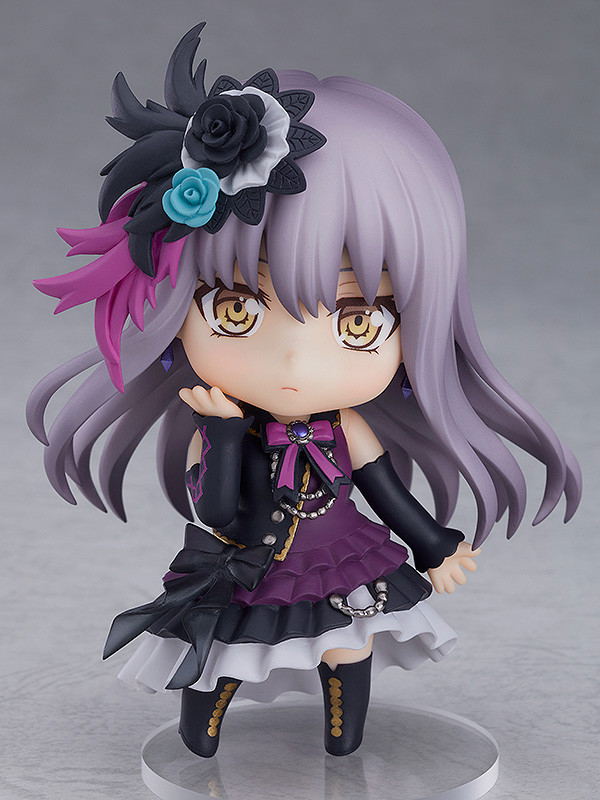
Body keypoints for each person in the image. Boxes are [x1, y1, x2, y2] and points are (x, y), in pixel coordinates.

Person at [27, 23, 581, 758]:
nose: (293, 358)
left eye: (358, 319)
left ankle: (344, 740)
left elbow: (388, 493)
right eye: (235, 309)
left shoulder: (347, 427)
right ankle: (202, 732)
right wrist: (223, 434)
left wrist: (433, 544)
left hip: (343, 555)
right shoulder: (217, 422)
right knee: (226, 650)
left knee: (347, 646)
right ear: (174, 306)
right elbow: (215, 512)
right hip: (247, 566)